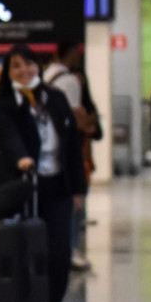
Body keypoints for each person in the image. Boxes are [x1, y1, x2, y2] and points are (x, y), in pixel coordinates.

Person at [0, 44, 88, 302]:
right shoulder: (6, 105)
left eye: (29, 65)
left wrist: (78, 189)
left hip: (57, 186)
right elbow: (9, 136)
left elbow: (72, 145)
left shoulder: (55, 99)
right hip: (25, 185)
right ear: (9, 74)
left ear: (39, 67)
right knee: (23, 254)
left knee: (59, 255)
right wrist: (22, 158)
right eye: (17, 67)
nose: (25, 71)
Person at [45, 41, 98, 272]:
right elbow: (78, 120)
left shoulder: (45, 78)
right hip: (69, 150)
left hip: (47, 153)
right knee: (75, 202)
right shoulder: (70, 81)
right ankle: (71, 249)